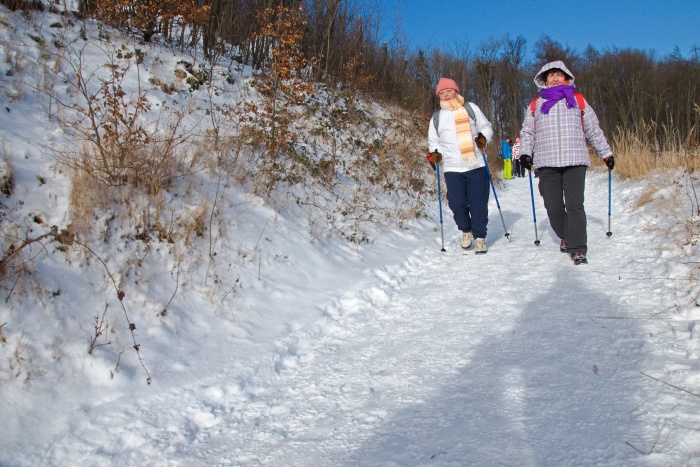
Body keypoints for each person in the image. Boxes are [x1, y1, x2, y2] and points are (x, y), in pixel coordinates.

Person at [519, 60, 614, 265]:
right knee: (553, 207)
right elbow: (527, 132)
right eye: (550, 75)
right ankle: (566, 235)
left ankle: (577, 247)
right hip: (546, 162)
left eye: (558, 74)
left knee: (575, 205)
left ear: (566, 78)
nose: (554, 78)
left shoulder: (578, 100)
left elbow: (593, 129)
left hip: (575, 161)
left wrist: (606, 153)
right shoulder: (536, 104)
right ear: (544, 80)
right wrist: (525, 154)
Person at [428, 77, 494, 254]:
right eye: (442, 93)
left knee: (478, 203)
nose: (446, 95)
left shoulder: (470, 109)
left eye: (448, 91)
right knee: (456, 203)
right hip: (452, 167)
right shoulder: (437, 117)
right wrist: (435, 154)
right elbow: (434, 141)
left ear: (456, 91)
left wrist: (483, 138)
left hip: (474, 164)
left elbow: (487, 127)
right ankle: (466, 230)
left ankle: (480, 237)